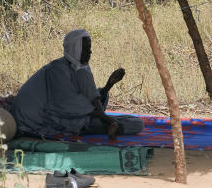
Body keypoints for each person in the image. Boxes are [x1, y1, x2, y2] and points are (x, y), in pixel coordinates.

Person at [11, 29, 144, 140]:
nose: (90, 52)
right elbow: (68, 104)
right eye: (85, 48)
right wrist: (108, 120)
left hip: (69, 116)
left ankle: (110, 125)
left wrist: (109, 85)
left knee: (134, 120)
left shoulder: (80, 69)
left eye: (90, 48)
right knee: (136, 124)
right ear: (75, 48)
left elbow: (88, 99)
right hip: (41, 121)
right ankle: (110, 127)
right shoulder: (57, 70)